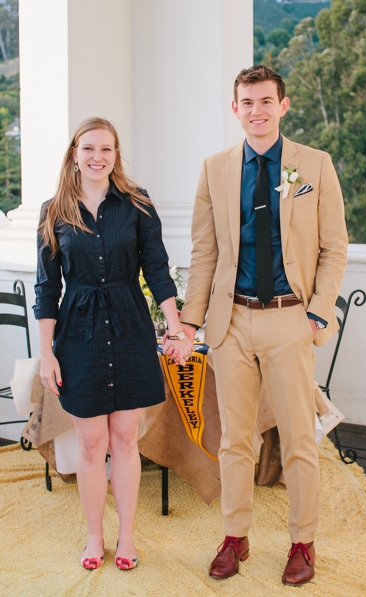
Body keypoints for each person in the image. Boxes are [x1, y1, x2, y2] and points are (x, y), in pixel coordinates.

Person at [162, 65, 348, 586]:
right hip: (231, 321)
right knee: (234, 440)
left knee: (298, 439)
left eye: (266, 101)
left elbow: (335, 246)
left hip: (291, 317)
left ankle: (303, 542)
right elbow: (205, 253)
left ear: (283, 106)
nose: (257, 110)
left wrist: (317, 312)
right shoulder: (214, 169)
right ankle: (235, 536)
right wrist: (191, 323)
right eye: (247, 102)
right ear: (235, 109)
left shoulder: (315, 164)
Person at [34, 117, 185, 571]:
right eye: (88, 148)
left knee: (124, 439)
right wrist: (47, 354)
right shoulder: (54, 211)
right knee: (90, 443)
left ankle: (127, 537)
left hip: (129, 329)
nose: (97, 157)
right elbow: (47, 289)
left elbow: (157, 268)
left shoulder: (138, 204)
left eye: (106, 149)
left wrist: (175, 327)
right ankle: (94, 536)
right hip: (78, 336)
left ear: (116, 155)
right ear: (75, 154)